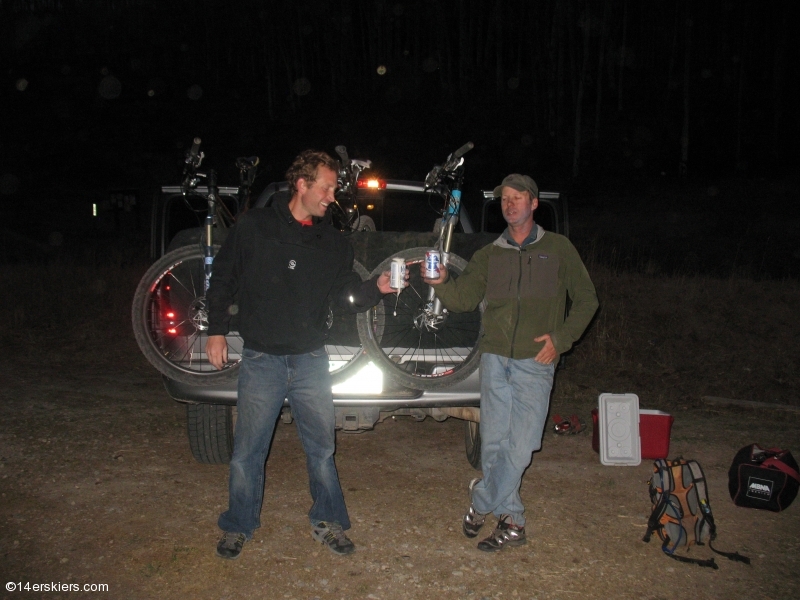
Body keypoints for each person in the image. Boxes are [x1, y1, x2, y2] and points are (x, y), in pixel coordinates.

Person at [206, 150, 399, 559]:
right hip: (262, 359)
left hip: (311, 359)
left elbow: (346, 295)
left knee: (321, 449)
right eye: (326, 187)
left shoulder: (333, 242)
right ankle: (239, 524)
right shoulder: (255, 227)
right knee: (247, 452)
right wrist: (216, 331)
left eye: (334, 189)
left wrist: (376, 289)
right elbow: (223, 276)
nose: (333, 196)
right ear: (302, 184)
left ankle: (327, 520)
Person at [422, 173, 598, 552]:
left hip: (536, 360)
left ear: (534, 203)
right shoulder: (489, 255)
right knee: (493, 446)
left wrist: (561, 339)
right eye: (505, 198)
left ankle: (480, 501)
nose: (510, 204)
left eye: (519, 197)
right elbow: (465, 299)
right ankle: (513, 522)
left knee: (522, 446)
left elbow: (587, 301)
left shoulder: (559, 249)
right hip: (495, 358)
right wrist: (438, 282)